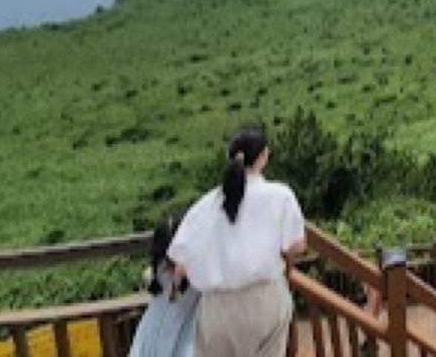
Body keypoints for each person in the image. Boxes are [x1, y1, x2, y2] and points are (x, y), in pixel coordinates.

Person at [168, 128, 306, 357]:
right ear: (264, 156)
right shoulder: (280, 196)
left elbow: (179, 257)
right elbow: (297, 245)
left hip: (217, 305)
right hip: (265, 298)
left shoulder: (206, 205)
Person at [131, 214, 201, 356]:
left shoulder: (197, 269)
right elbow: (172, 297)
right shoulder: (162, 269)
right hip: (158, 327)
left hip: (185, 327)